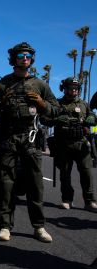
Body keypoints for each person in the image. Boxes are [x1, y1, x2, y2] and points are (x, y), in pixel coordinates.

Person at [0, 42, 59, 243]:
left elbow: (56, 110)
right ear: (13, 58)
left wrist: (42, 104)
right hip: (8, 139)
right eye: (20, 55)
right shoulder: (2, 84)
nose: (24, 58)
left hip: (31, 139)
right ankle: (5, 226)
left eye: (28, 55)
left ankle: (39, 227)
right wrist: (1, 104)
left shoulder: (40, 84)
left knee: (35, 185)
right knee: (6, 185)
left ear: (31, 59)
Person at [43, 77, 97, 211]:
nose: (73, 91)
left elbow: (92, 117)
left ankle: (89, 201)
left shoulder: (84, 104)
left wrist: (90, 119)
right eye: (70, 88)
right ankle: (67, 199)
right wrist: (56, 120)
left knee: (87, 173)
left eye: (76, 89)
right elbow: (44, 119)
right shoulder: (57, 104)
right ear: (64, 89)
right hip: (63, 145)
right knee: (65, 174)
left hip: (81, 144)